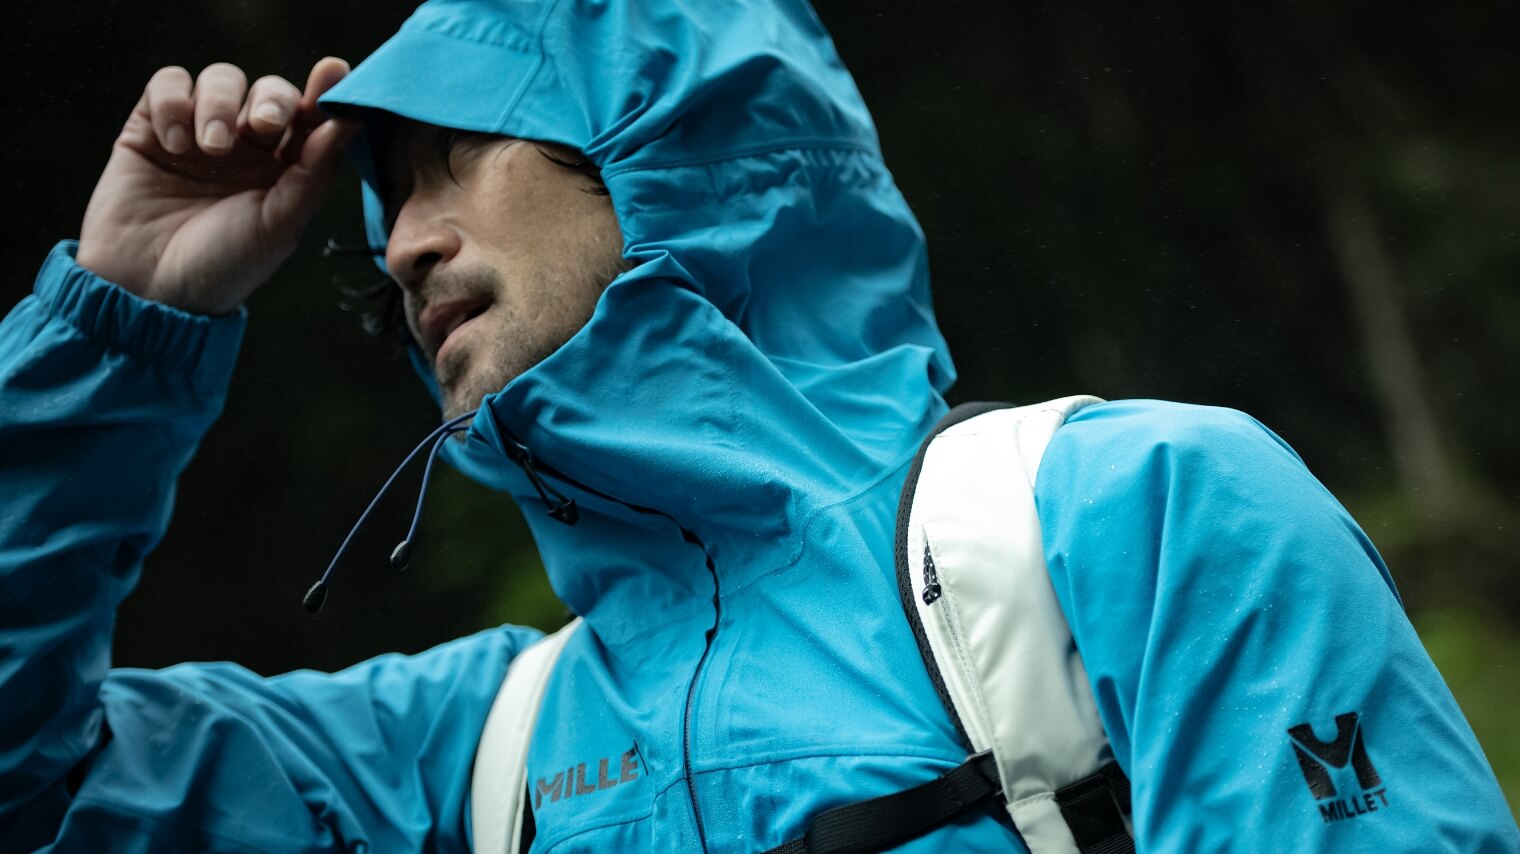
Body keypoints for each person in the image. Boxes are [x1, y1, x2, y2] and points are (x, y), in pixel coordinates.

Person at [1, 0, 1515, 851]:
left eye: (459, 157)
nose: (402, 243)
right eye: (387, 200)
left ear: (669, 146)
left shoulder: (1141, 516)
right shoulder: (474, 753)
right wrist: (120, 323)